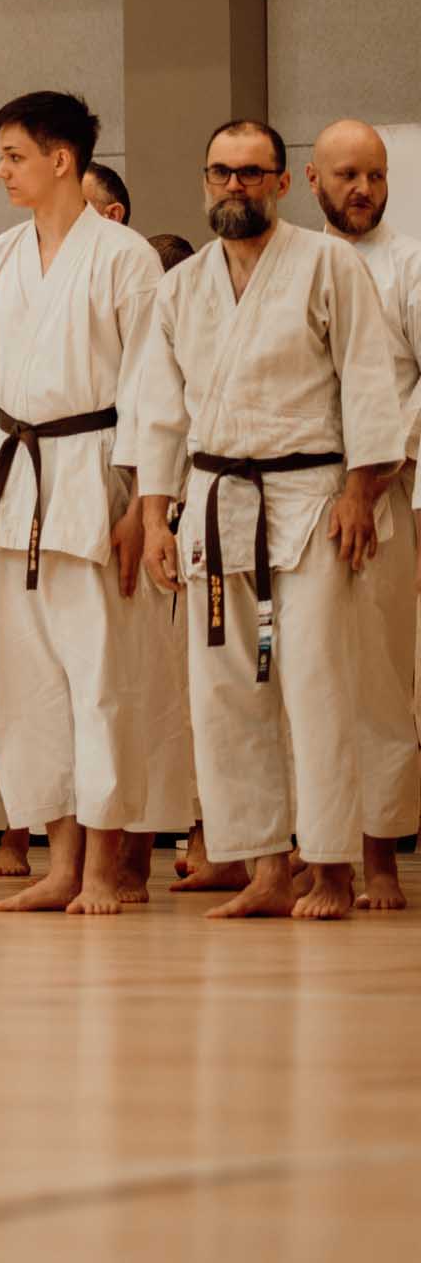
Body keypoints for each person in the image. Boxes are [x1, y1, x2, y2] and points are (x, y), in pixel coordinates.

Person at [122, 121, 411, 921]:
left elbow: (368, 384)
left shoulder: (329, 265)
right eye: (222, 173)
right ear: (205, 179)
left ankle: (329, 867)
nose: (235, 187)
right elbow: (159, 414)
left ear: (285, 184)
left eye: (253, 174)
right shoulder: (180, 288)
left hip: (314, 500)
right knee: (225, 691)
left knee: (317, 686)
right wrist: (154, 520)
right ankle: (262, 866)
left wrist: (363, 490)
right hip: (217, 505)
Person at [0, 93, 178, 916]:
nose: (2, 170)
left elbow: (154, 389)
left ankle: (108, 866)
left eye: (14, 155)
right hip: (12, 484)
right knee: (21, 683)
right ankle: (58, 861)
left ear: (61, 161)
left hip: (93, 473)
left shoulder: (123, 258)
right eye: (1, 155)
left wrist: (143, 507)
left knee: (101, 677)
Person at [303, 120, 420, 908]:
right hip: (298, 498)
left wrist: (372, 482)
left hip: (381, 495)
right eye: (347, 175)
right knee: (306, 680)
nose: (364, 190)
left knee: (379, 678)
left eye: (375, 176)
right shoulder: (290, 263)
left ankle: (380, 855)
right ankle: (318, 852)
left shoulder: (408, 263)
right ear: (311, 180)